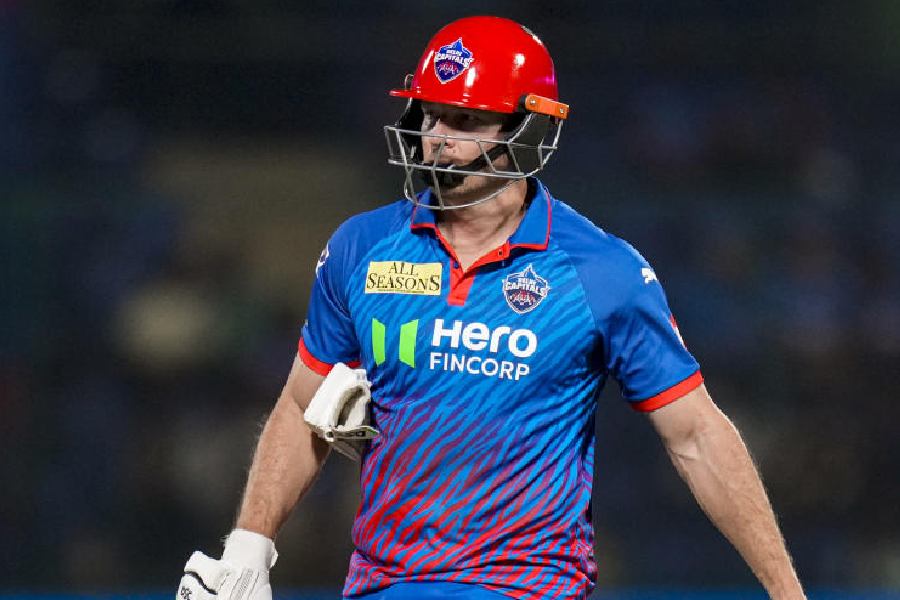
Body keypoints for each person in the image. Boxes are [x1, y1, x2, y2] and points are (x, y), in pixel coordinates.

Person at [177, 16, 805, 600]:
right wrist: (249, 549)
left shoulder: (601, 273)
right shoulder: (360, 249)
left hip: (528, 588)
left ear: (531, 130)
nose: (436, 139)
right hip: (381, 586)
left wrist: (786, 592)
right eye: (430, 115)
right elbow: (301, 405)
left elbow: (696, 434)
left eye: (467, 121)